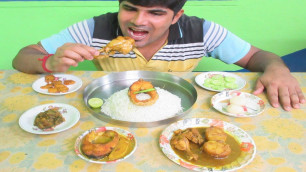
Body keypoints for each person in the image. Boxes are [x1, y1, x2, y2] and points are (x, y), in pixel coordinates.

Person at [13, 0, 305, 111]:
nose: (138, 21)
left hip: (178, 109)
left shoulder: (202, 31)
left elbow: (259, 57)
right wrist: (48, 62)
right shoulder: (94, 27)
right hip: (113, 109)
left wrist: (277, 68)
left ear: (176, 16)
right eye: (130, 8)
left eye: (155, 13)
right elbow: (22, 57)